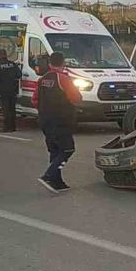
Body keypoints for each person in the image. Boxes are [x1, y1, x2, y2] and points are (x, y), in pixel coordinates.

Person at [32, 52, 82, 193]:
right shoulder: (64, 79)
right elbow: (76, 97)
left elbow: (34, 99)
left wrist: (45, 110)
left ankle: (57, 181)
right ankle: (49, 175)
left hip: (45, 120)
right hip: (61, 120)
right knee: (67, 149)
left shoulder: (42, 79)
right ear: (63, 63)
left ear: (49, 63)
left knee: (55, 150)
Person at [0, 48, 22, 133]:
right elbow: (19, 75)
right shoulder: (12, 64)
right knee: (12, 109)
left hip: (3, 89)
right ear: (6, 55)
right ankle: (13, 126)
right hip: (12, 89)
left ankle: (6, 127)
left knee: (5, 109)